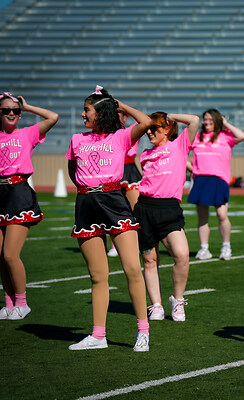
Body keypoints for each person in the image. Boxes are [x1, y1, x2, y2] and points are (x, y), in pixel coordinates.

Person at [66, 85, 152, 351]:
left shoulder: (121, 137)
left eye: (87, 110)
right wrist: (88, 189)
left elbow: (146, 122)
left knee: (132, 269)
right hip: (86, 204)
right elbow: (73, 171)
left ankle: (143, 331)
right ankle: (98, 336)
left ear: (101, 113)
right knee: (97, 275)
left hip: (114, 203)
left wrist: (120, 105)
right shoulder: (77, 139)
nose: (82, 114)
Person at [134, 111, 199, 322]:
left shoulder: (179, 145)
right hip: (145, 208)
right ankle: (156, 305)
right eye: (148, 129)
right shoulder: (145, 154)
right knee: (149, 259)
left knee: (182, 255)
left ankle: (177, 300)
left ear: (168, 128)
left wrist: (171, 116)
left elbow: (194, 121)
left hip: (169, 208)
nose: (149, 132)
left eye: (155, 128)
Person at [0, 92, 59, 320]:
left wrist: (28, 106)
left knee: (10, 255)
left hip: (18, 194)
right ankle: (9, 304)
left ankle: (22, 303)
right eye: (6, 110)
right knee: (0, 256)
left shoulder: (27, 133)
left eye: (15, 110)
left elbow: (53, 117)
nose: (12, 113)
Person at [188, 109, 244, 261]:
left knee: (222, 215)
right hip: (201, 180)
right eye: (205, 119)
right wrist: (191, 168)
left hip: (219, 179)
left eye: (210, 119)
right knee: (202, 217)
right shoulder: (197, 137)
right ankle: (204, 249)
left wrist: (225, 123)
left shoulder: (225, 136)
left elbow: (242, 136)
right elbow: (181, 150)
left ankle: (226, 247)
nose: (206, 122)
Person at [107, 112, 142, 257]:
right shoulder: (107, 133)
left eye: (119, 115)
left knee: (136, 210)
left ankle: (138, 244)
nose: (115, 117)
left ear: (125, 117)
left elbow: (144, 121)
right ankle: (115, 246)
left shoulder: (132, 130)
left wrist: (126, 109)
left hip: (130, 171)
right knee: (113, 211)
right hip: (113, 170)